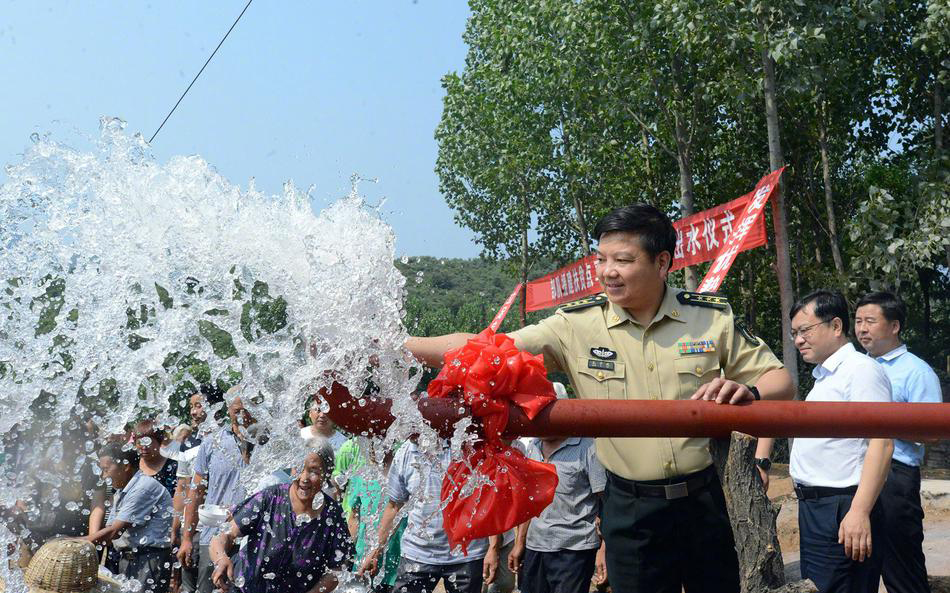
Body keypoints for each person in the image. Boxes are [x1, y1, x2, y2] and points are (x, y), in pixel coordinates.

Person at [405, 203, 795, 593]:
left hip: (708, 501)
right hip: (629, 509)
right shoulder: (575, 325)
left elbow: (782, 381)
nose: (607, 271)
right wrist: (399, 345)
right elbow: (483, 347)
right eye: (601, 258)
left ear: (662, 263)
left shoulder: (709, 317)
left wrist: (750, 390)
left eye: (623, 260)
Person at [789, 290, 894, 593]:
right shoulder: (826, 375)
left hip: (843, 507)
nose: (798, 340)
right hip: (819, 508)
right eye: (795, 333)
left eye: (805, 330)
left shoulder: (861, 371)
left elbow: (882, 443)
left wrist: (859, 511)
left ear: (835, 326)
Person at [855, 291, 941, 593]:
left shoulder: (916, 371)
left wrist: (883, 422)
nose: (862, 328)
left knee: (901, 567)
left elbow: (932, 431)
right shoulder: (853, 367)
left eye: (870, 321)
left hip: (895, 476)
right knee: (855, 564)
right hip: (852, 473)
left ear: (894, 327)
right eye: (858, 321)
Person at [209, 437, 354, 593]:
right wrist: (221, 559)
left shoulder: (332, 516)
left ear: (327, 474)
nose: (304, 478)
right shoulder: (271, 498)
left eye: (313, 471)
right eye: (299, 468)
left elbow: (338, 568)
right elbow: (224, 536)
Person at [358, 436, 501, 593]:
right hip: (417, 552)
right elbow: (393, 506)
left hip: (467, 554)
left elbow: (489, 500)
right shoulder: (405, 452)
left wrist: (493, 548)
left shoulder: (467, 445)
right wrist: (375, 550)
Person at [178, 392, 257, 593]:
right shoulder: (212, 443)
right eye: (237, 410)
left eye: (248, 409)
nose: (243, 415)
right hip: (212, 536)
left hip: (254, 539)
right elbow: (195, 493)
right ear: (228, 410)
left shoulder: (268, 445)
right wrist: (187, 538)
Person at [508, 435, 607, 593]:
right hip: (536, 547)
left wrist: (604, 550)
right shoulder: (533, 446)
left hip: (574, 549)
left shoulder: (588, 447)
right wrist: (520, 543)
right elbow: (530, 500)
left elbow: (605, 501)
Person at [87, 442, 174, 593]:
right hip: (129, 559)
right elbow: (110, 533)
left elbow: (114, 532)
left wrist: (76, 541)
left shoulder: (143, 487)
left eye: (106, 470)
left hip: (149, 560)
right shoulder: (122, 491)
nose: (104, 476)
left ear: (125, 466)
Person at [171, 386, 224, 593]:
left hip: (215, 528)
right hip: (190, 529)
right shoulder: (188, 444)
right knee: (187, 586)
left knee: (208, 586)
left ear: (216, 408)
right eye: (191, 406)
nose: (193, 412)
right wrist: (176, 527)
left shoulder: (226, 440)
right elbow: (182, 487)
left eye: (198, 405)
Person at [340, 441, 407, 593]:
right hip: (362, 563)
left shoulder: (403, 474)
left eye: (379, 440)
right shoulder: (360, 475)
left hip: (396, 563)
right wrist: (347, 554)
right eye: (370, 441)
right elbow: (354, 517)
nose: (373, 446)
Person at [133, 419, 179, 497]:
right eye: (140, 442)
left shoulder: (173, 467)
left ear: (159, 441)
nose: (144, 447)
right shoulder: (132, 463)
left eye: (148, 442)